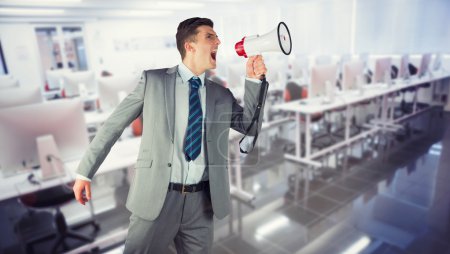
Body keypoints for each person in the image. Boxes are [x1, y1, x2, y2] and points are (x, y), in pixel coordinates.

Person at [72, 17, 268, 253]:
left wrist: (254, 81)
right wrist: (85, 171)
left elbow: (250, 126)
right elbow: (112, 126)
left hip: (202, 203)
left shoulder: (220, 94)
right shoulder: (153, 81)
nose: (219, 41)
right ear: (190, 45)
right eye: (210, 36)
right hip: (157, 196)